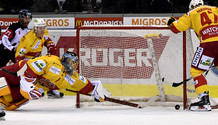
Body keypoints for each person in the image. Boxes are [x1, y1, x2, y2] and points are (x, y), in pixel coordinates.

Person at [0, 51, 111, 110]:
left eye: (76, 63)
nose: (75, 66)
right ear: (66, 60)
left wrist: (94, 91)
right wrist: (27, 83)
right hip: (19, 72)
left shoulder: (72, 77)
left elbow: (83, 85)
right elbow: (30, 66)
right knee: (1, 79)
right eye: (73, 62)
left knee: (10, 102)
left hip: (31, 85)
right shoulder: (51, 61)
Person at [167, 0, 218, 111]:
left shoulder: (191, 13)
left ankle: (204, 100)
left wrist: (171, 22)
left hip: (208, 43)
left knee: (196, 72)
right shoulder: (215, 9)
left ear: (191, 7)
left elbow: (176, 28)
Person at [15, 18, 64, 98]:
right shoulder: (27, 39)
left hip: (37, 58)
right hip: (27, 60)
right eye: (40, 28)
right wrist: (21, 68)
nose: (42, 30)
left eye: (43, 28)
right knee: (37, 72)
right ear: (35, 28)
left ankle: (52, 89)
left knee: (50, 69)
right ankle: (36, 89)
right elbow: (18, 57)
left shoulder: (44, 32)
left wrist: (51, 48)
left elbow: (47, 40)